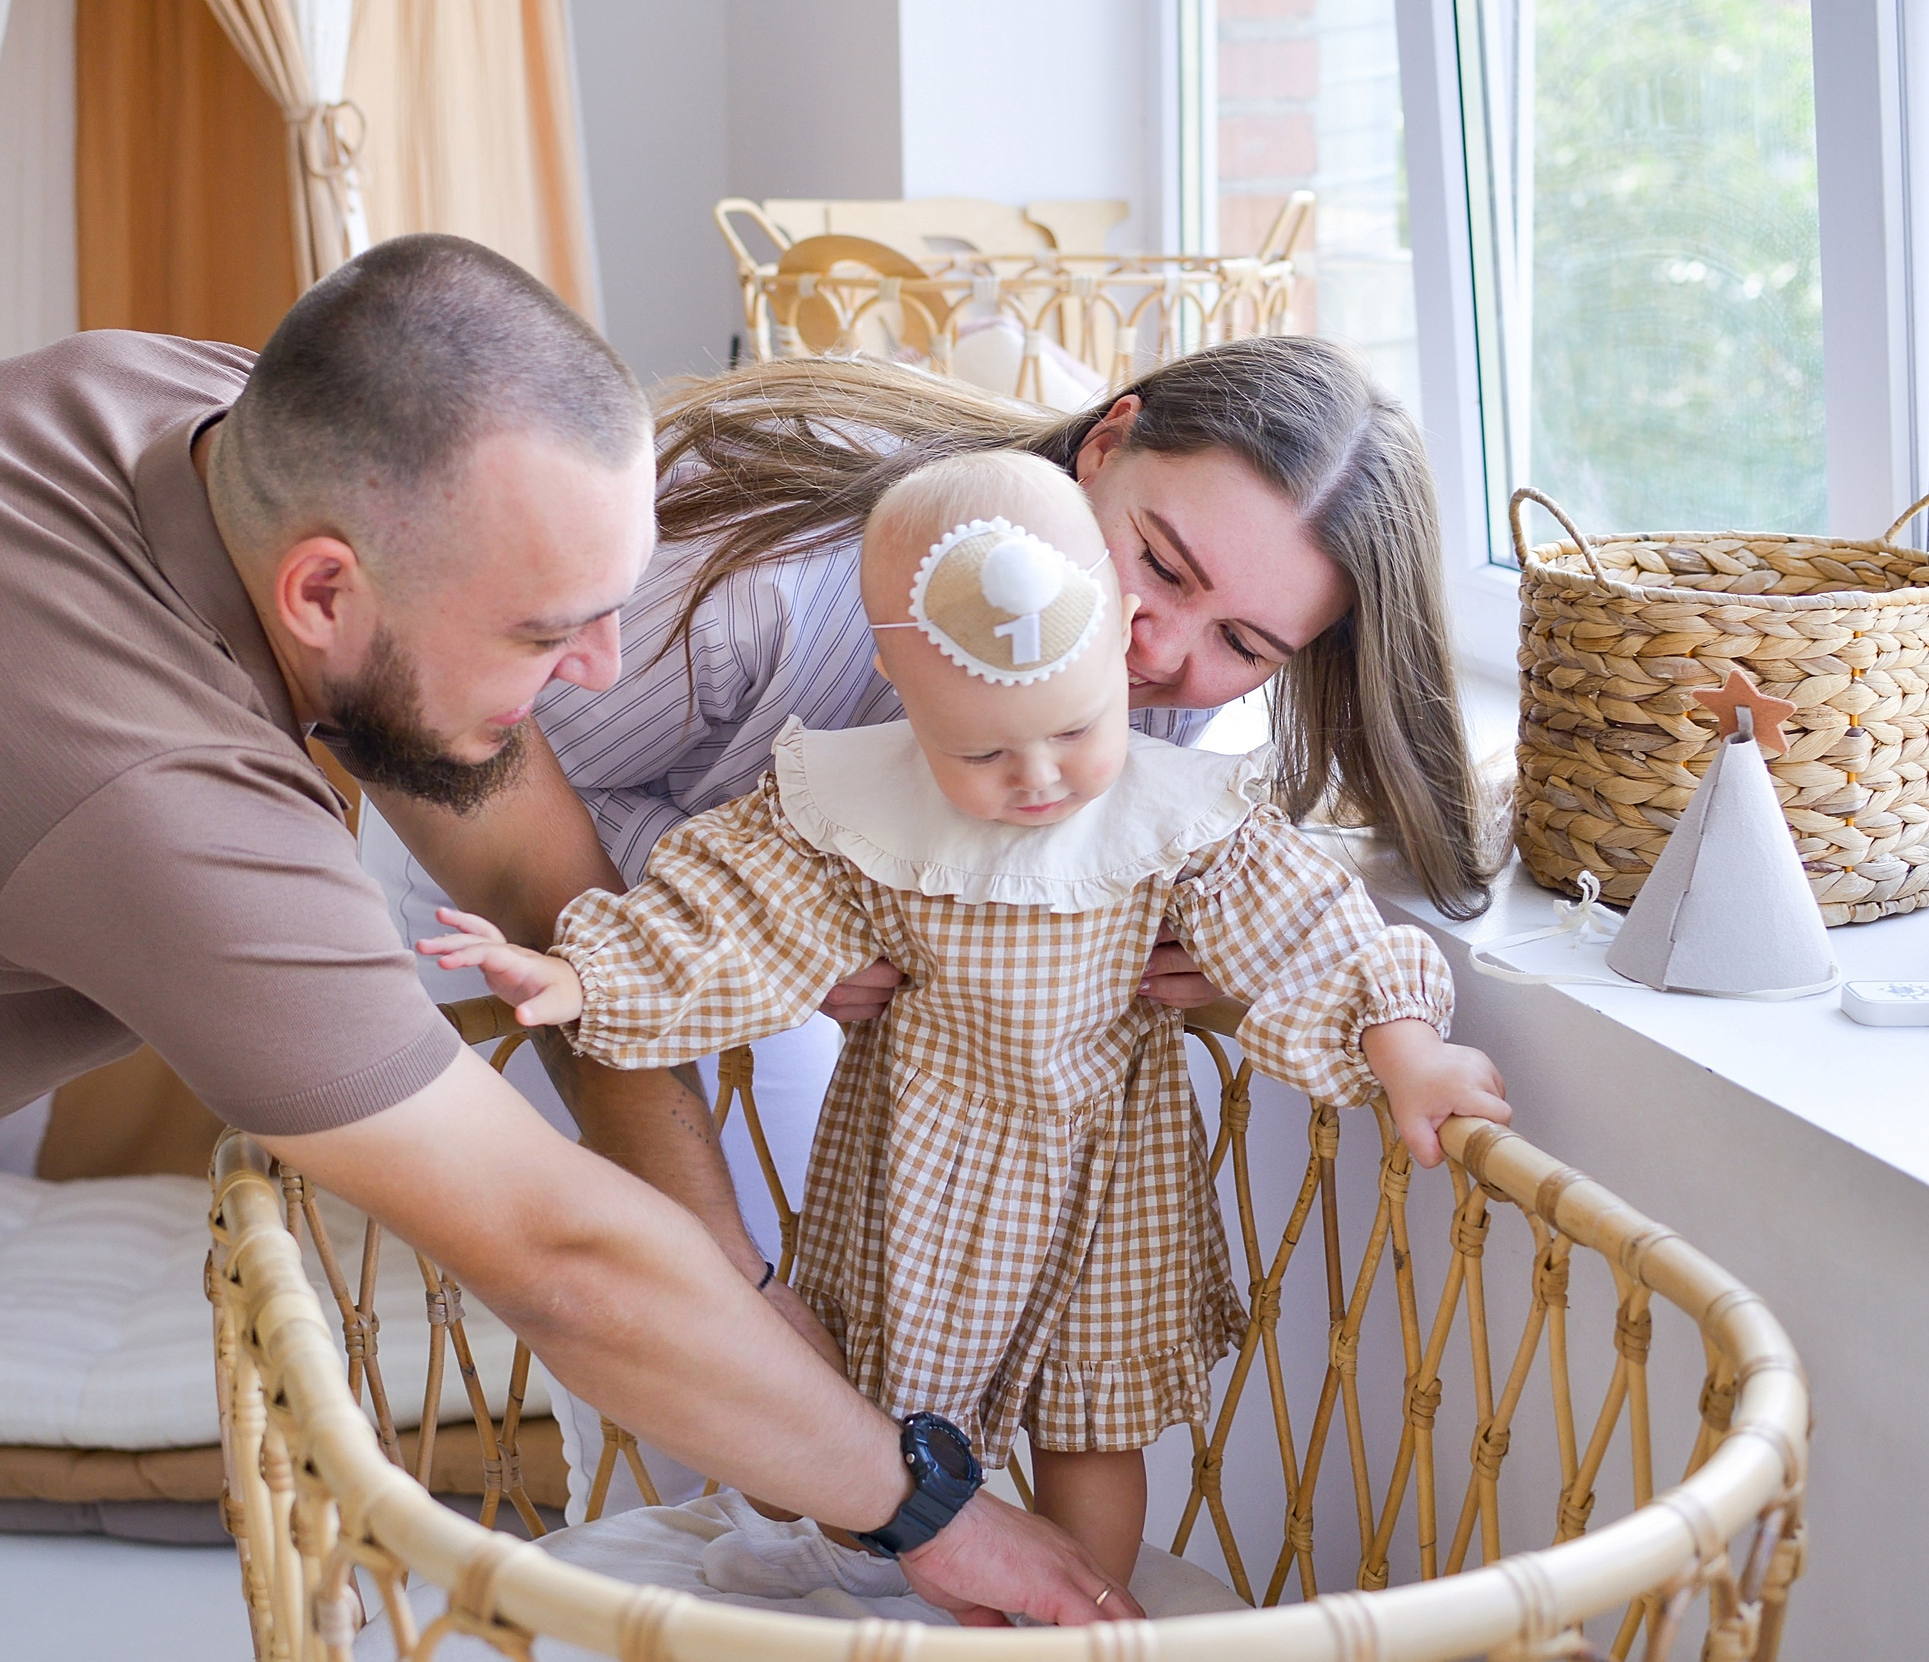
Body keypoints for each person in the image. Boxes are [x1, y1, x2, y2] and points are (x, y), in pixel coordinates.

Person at [0, 237, 1128, 1662]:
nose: (599, 669)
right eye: (544, 629)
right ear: (321, 593)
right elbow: (553, 1257)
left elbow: (525, 862)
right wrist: (931, 1512)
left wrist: (724, 1268)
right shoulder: (144, 784)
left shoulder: (209, 419)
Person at [422, 451, 1510, 1581]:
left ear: (1110, 637)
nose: (1038, 779)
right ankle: (886, 1597)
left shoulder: (1172, 803)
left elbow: (1313, 925)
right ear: (903, 691)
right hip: (925, 1151)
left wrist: (1407, 1046)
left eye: (1074, 731)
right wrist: (587, 975)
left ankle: (1080, 1606)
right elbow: (725, 908)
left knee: (1095, 1419)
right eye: (982, 751)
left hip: (1113, 1163)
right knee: (876, 1403)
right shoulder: (851, 796)